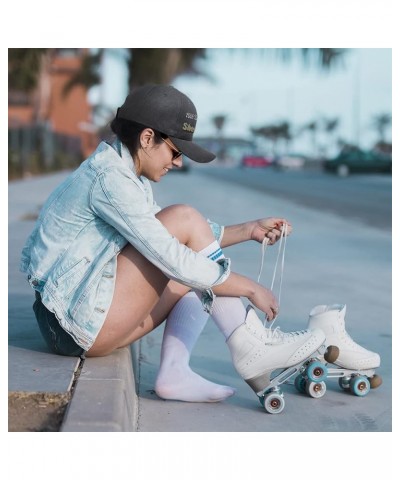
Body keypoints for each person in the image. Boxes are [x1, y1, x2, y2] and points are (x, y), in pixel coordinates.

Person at [20, 84, 327, 404]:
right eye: (175, 152)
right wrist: (248, 287)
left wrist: (248, 230)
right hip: (71, 326)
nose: (178, 163)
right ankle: (250, 346)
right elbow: (171, 249)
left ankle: (176, 373)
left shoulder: (124, 174)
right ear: (147, 138)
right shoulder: (109, 179)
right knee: (184, 221)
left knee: (191, 252)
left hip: (73, 324)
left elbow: (172, 237)